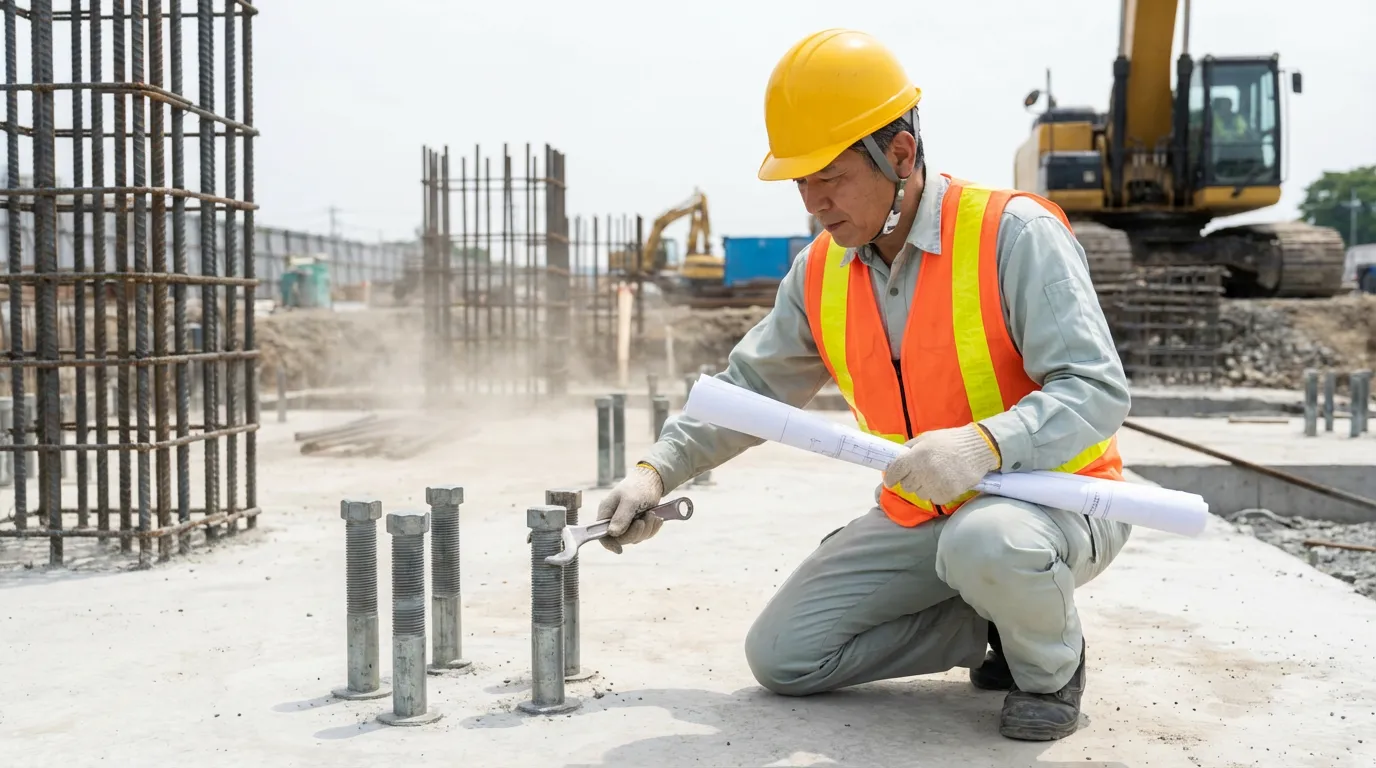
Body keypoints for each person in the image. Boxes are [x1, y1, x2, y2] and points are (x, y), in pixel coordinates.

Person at [595, 28, 1133, 742]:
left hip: (1055, 500)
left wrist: (984, 446)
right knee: (784, 657)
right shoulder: (821, 272)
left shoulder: (1014, 234)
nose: (813, 201)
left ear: (901, 154)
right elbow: (750, 387)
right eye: (800, 182)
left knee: (989, 544)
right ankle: (997, 618)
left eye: (830, 176)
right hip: (925, 512)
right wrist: (656, 472)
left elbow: (1096, 389)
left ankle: (1049, 666)